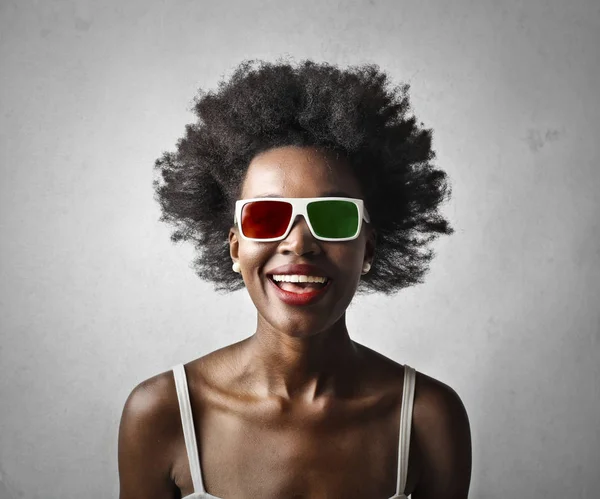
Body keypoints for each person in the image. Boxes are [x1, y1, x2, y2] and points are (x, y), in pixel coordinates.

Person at [118, 59, 472, 499]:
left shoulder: (428, 417)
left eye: (333, 216)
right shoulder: (162, 412)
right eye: (267, 217)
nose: (299, 243)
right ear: (234, 247)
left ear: (370, 249)